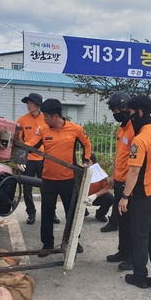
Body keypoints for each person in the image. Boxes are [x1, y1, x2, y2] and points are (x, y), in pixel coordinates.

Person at [118, 95, 151, 293]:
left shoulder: (140, 140)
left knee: (140, 236)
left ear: (140, 113)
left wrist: (125, 196)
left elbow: (134, 171)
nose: (130, 118)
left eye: (131, 114)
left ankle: (140, 275)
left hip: (145, 194)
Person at [25, 98, 92, 256]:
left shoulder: (75, 129)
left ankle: (73, 241)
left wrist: (86, 159)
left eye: (46, 116)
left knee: (71, 212)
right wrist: (19, 143)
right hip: (48, 180)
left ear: (55, 116)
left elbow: (87, 144)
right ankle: (47, 244)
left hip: (68, 179)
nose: (44, 119)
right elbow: (32, 144)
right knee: (47, 212)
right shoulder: (43, 130)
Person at [103, 92, 136, 271]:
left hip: (129, 184)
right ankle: (123, 251)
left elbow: (135, 162)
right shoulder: (121, 129)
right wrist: (113, 175)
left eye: (116, 110)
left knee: (130, 222)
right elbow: (119, 155)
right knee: (122, 220)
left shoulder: (134, 128)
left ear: (125, 108)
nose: (115, 114)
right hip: (119, 180)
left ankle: (132, 255)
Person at [16, 92, 60, 225]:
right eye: (28, 103)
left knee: (48, 188)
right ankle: (31, 212)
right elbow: (18, 142)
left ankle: (51, 212)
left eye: (32, 103)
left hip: (44, 159)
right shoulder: (21, 120)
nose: (29, 105)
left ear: (38, 105)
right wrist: (19, 159)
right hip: (28, 159)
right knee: (27, 188)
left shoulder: (47, 119)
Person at [84, 153, 114, 222]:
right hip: (81, 197)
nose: (86, 164)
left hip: (94, 198)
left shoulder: (101, 172)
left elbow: (107, 188)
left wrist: (94, 195)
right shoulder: (77, 172)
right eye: (84, 162)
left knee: (109, 198)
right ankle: (83, 212)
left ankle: (100, 214)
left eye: (88, 162)